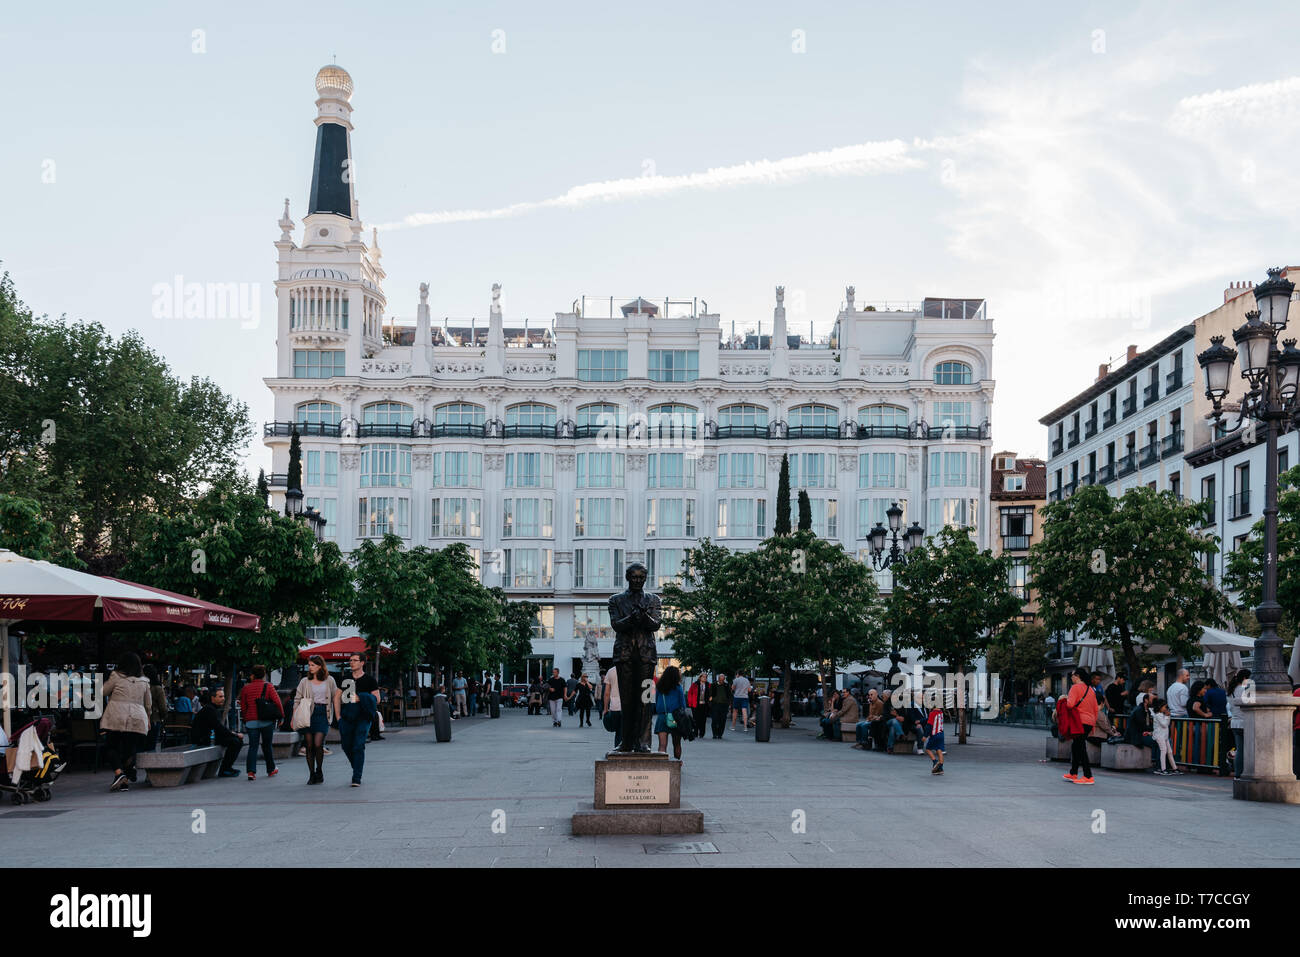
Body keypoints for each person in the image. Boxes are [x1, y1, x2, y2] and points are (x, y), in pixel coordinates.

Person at [101, 653, 152, 791]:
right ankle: (125, 781)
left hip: (117, 716)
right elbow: (148, 703)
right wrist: (148, 718)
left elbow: (104, 692)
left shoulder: (116, 676)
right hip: (137, 717)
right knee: (130, 749)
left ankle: (119, 773)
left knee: (111, 746)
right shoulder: (144, 681)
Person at [335, 652, 379, 787]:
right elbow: (337, 697)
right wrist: (338, 717)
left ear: (362, 663)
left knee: (358, 745)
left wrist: (362, 697)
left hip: (363, 718)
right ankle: (357, 767)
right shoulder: (345, 679)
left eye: (355, 660)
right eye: (350, 660)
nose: (351, 662)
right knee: (346, 746)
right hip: (347, 717)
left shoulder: (370, 680)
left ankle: (356, 777)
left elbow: (377, 699)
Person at [293, 655, 337, 785]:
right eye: (309, 665)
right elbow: (297, 699)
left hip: (323, 713)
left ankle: (319, 770)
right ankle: (312, 774)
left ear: (320, 666)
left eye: (313, 665)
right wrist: (293, 717)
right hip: (307, 714)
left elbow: (335, 696)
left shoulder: (330, 680)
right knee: (309, 745)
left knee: (318, 744)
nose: (310, 667)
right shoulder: (304, 681)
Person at [238, 664, 283, 780]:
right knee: (267, 745)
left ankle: (251, 772)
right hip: (266, 721)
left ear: (252, 675)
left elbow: (243, 706)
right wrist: (281, 717)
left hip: (251, 722)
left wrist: (246, 717)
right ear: (264, 675)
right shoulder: (268, 686)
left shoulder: (245, 688)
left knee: (253, 746)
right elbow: (277, 702)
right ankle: (271, 769)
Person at [190, 688, 245, 778]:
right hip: (203, 739)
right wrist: (235, 734)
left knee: (236, 741)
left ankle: (226, 768)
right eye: (220, 696)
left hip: (210, 736)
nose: (223, 698)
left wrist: (233, 734)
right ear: (213, 698)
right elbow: (219, 727)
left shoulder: (212, 709)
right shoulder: (210, 709)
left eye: (223, 696)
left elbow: (219, 727)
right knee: (235, 742)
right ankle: (225, 769)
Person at [1061, 667, 1097, 785]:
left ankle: (1088, 776)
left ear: (1077, 676)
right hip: (1089, 721)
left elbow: (1070, 705)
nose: (1071, 677)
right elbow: (1095, 709)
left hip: (1079, 721)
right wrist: (1093, 725)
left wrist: (1065, 699)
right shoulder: (1090, 690)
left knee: (1080, 747)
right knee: (1076, 746)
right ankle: (1073, 773)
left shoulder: (1075, 688)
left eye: (1072, 675)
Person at [654, 666, 689, 759]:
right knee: (677, 744)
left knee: (662, 744)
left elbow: (657, 702)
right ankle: (677, 764)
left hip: (662, 716)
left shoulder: (659, 686)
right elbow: (683, 704)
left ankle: (662, 764)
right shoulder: (678, 687)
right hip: (676, 717)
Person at [1126, 690, 1160, 769]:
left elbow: (1148, 726)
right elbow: (1142, 726)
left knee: (1165, 740)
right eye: (1152, 700)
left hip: (1142, 734)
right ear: (1146, 700)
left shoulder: (1146, 710)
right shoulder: (1139, 710)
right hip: (1137, 737)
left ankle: (1163, 765)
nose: (1154, 702)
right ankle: (1160, 766)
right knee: (1159, 742)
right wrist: (1151, 731)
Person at [1227, 669, 1251, 779]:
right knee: (1245, 750)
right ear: (1246, 678)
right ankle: (1244, 772)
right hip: (1244, 722)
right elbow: (1252, 702)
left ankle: (1237, 773)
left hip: (1234, 722)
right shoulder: (1245, 689)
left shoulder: (1231, 690)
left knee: (1239, 749)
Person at [142, 664, 167, 753]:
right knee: (151, 746)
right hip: (154, 719)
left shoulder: (140, 687)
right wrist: (162, 717)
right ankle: (149, 765)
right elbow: (163, 707)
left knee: (141, 745)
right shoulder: (158, 688)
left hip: (140, 718)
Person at [1152, 698, 1178, 774]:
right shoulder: (1158, 715)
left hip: (1164, 736)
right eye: (1164, 707)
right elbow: (1164, 724)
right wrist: (1167, 716)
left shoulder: (1162, 715)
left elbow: (1166, 724)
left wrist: (1167, 716)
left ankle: (1174, 768)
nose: (1166, 708)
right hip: (1159, 736)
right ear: (1160, 707)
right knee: (1164, 750)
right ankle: (1163, 769)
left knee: (1169, 751)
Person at [603, 664, 622, 748]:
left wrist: (605, 708)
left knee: (618, 732)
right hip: (629, 706)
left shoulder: (611, 671)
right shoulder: (632, 668)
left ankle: (617, 752)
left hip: (615, 706)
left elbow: (607, 693)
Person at [924, 704, 946, 774]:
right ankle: (940, 768)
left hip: (934, 734)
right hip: (941, 734)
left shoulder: (932, 713)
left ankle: (935, 762)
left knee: (928, 749)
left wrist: (925, 736)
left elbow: (929, 726)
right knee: (939, 750)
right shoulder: (941, 713)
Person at [688, 675, 710, 741]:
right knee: (695, 719)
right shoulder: (694, 684)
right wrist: (690, 703)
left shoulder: (709, 685)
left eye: (706, 677)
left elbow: (712, 693)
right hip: (696, 705)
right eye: (703, 677)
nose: (705, 678)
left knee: (703, 720)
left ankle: (701, 733)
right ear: (700, 678)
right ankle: (695, 732)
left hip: (705, 705)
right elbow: (690, 693)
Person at [710, 673, 729, 740]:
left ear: (724, 679)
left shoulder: (726, 685)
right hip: (715, 704)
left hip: (724, 705)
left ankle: (720, 734)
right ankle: (714, 734)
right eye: (720, 679)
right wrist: (711, 701)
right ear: (718, 679)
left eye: (722, 680)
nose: (721, 681)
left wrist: (728, 703)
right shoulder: (714, 685)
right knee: (714, 720)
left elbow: (729, 695)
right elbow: (710, 694)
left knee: (722, 720)